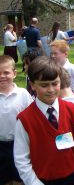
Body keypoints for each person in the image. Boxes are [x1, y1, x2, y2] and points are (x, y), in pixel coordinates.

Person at [14, 56, 74, 185]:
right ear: (32, 85)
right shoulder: (25, 120)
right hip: (41, 180)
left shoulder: (72, 110)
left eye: (55, 83)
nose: (51, 90)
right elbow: (21, 159)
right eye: (44, 85)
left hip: (73, 177)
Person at [0, 55, 33, 185]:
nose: (2, 76)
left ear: (14, 73)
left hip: (19, 144)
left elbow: (32, 117)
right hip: (1, 144)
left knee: (19, 177)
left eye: (6, 73)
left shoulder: (23, 94)